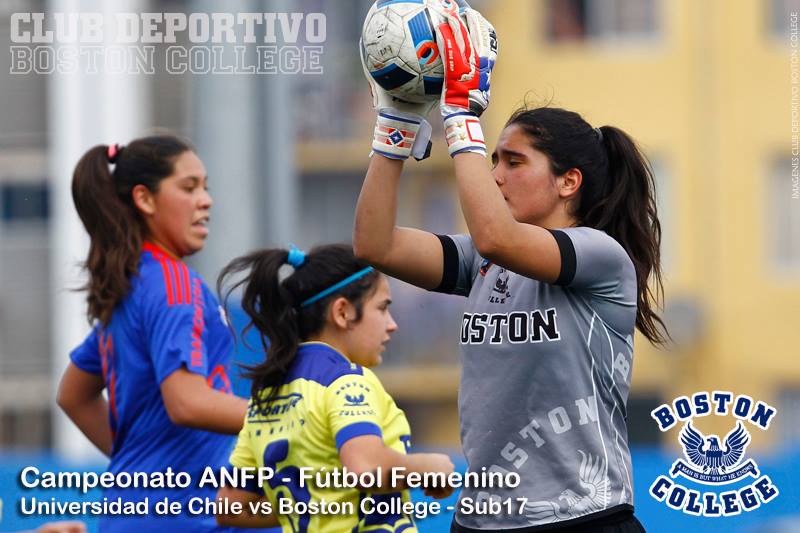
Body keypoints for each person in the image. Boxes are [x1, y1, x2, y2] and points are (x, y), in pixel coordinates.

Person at [354, 5, 665, 532]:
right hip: (483, 520)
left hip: (582, 518)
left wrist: (460, 119)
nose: (494, 174)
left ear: (568, 183)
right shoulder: (484, 259)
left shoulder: (599, 254)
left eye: (513, 162)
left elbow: (497, 235)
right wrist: (396, 126)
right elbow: (374, 243)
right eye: (492, 159)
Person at [57, 135, 249, 532]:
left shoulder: (135, 285)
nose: (206, 200)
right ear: (144, 199)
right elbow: (187, 403)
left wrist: (140, 466)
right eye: (189, 187)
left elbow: (72, 395)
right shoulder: (173, 286)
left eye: (206, 187)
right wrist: (291, 419)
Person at [214, 244, 455, 531]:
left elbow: (232, 507)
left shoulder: (265, 395)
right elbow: (366, 467)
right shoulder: (346, 380)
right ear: (342, 312)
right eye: (382, 308)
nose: (392, 325)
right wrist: (429, 467)